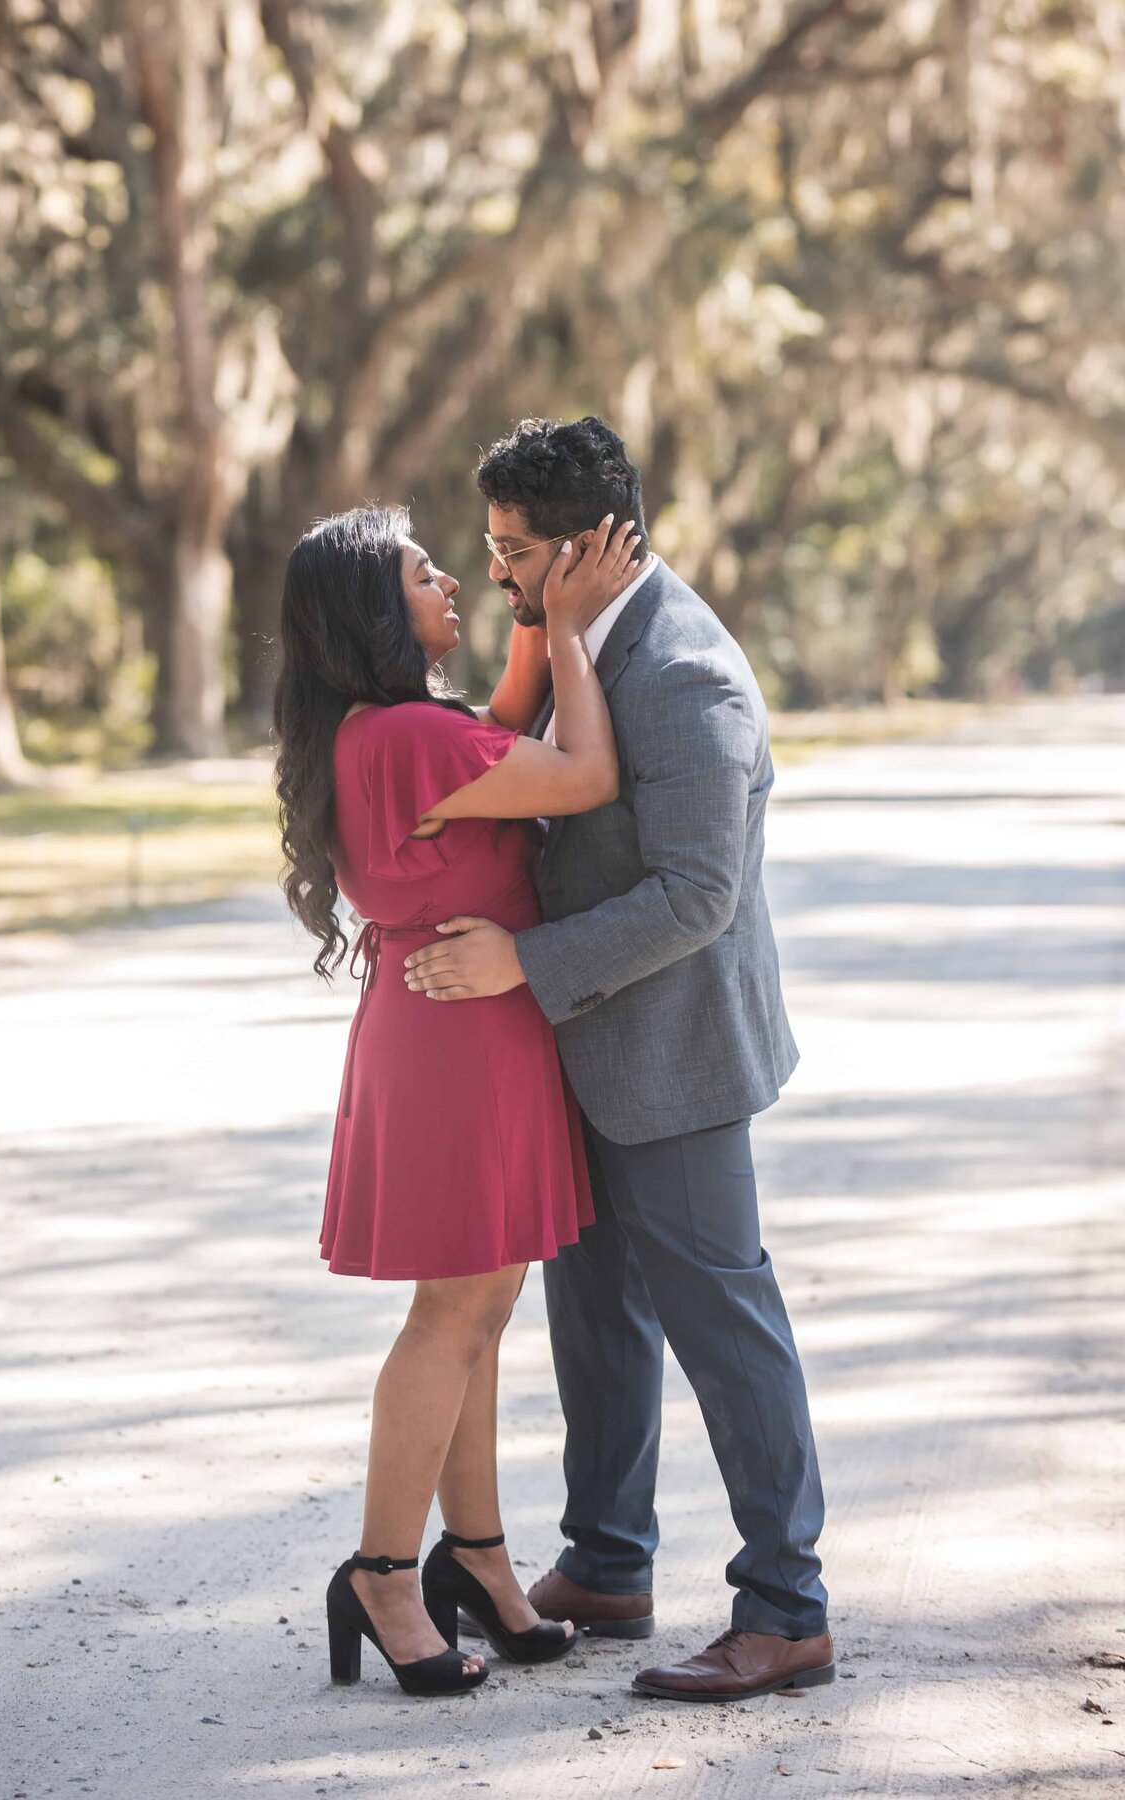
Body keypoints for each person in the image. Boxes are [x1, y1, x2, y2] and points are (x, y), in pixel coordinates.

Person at [403, 416, 833, 1703]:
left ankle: (788, 1610)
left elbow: (699, 895)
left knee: (725, 1321)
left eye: (517, 553)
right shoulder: (589, 641)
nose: (499, 580)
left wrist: (524, 968)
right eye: (488, 551)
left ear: (595, 542)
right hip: (579, 1059)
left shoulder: (686, 672)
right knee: (596, 1320)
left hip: (676, 1059)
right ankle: (608, 1560)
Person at [273, 503, 641, 1698]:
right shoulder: (407, 741)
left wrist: (540, 618)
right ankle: (383, 1572)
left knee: (480, 1309)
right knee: (456, 1314)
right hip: (459, 1041)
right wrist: (575, 629)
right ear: (381, 614)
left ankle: (475, 1557)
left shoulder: (383, 732)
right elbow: (580, 772)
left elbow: (493, 728)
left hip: (458, 1030)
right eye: (428, 575)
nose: (454, 588)